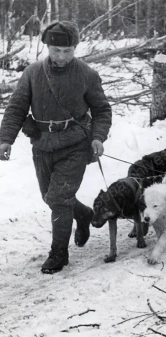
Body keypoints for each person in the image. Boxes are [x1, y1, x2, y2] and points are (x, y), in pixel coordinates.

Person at [0, 21, 112, 274]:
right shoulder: (32, 73)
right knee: (49, 197)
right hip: (41, 144)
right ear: (47, 47)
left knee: (59, 199)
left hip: (75, 143)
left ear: (75, 48)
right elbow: (17, 107)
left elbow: (102, 110)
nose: (61, 56)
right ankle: (82, 213)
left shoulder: (87, 74)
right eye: (55, 50)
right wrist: (5, 138)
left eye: (67, 51)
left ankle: (58, 253)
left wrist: (98, 137)